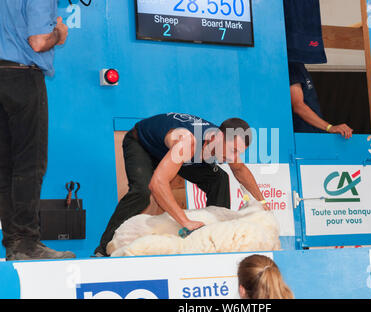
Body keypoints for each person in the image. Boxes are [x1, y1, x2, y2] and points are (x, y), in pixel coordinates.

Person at [94, 113, 270, 257]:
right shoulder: (188, 141)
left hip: (175, 154)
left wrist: (262, 204)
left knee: (219, 179)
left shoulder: (223, 142)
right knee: (142, 191)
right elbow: (158, 184)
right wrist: (185, 222)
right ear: (219, 136)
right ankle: (103, 250)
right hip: (143, 145)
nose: (233, 158)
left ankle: (213, 239)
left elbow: (240, 170)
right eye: (232, 151)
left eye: (238, 153)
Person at [0, 1, 76, 260]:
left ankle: (14, 243)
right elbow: (38, 42)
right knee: (29, 165)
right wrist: (60, 34)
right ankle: (26, 243)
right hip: (22, 76)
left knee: (5, 168)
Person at [283, 0, 353, 138]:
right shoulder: (292, 65)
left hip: (314, 135)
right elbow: (298, 106)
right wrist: (330, 127)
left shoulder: (299, 64)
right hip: (304, 138)